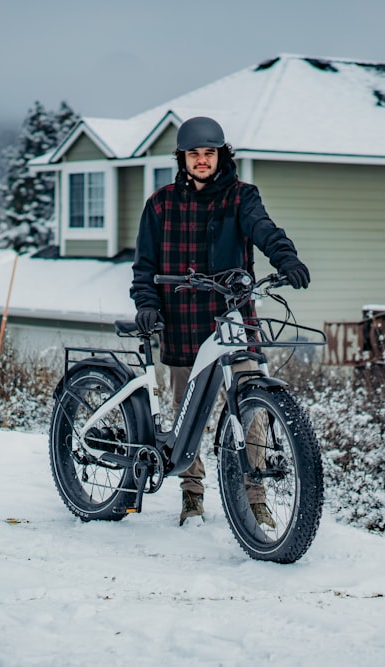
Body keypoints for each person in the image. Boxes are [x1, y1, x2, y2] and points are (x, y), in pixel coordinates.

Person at [130, 116, 311, 525]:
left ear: (220, 156)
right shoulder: (160, 204)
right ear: (183, 159)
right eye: (193, 154)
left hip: (233, 320)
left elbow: (263, 229)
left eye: (208, 153)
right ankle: (192, 496)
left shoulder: (241, 197)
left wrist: (286, 258)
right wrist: (147, 304)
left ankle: (256, 497)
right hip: (181, 322)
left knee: (253, 410)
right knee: (185, 415)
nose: (201, 161)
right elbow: (145, 266)